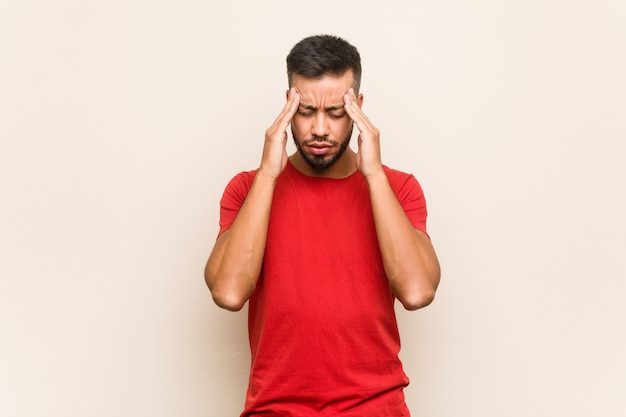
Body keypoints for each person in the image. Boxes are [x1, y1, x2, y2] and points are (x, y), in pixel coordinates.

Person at [205, 34, 441, 417]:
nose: (319, 129)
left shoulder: (398, 188)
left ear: (358, 108)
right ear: (288, 106)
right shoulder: (248, 188)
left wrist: (374, 176)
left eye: (335, 112)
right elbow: (229, 293)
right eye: (306, 111)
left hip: (374, 408)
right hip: (275, 410)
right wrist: (268, 173)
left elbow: (417, 292)